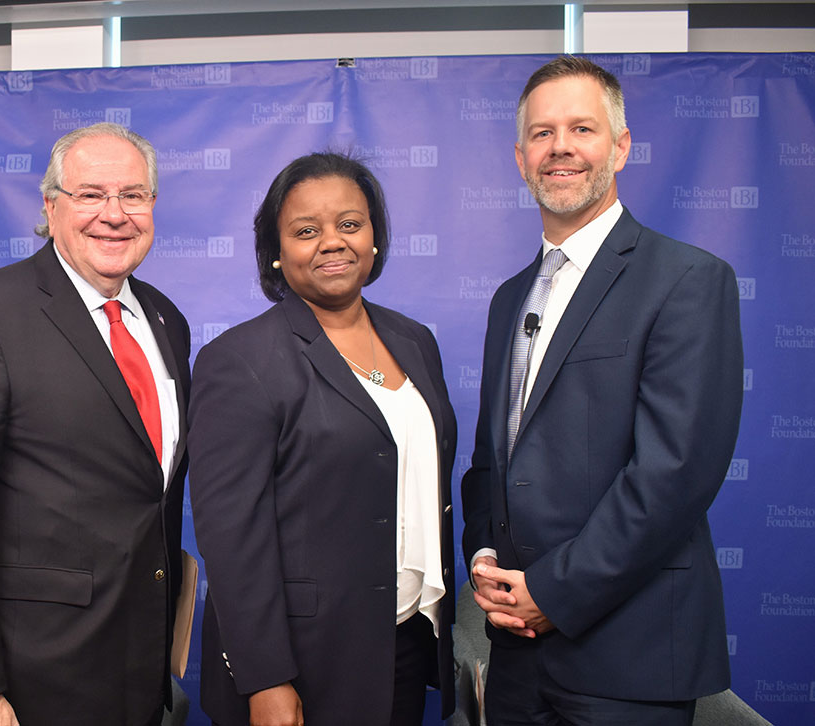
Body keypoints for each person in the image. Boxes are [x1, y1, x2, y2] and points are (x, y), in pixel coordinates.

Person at [461, 55, 743, 725]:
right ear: (520, 157)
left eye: (582, 129)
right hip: (515, 658)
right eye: (541, 133)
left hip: (628, 659)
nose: (560, 147)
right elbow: (492, 463)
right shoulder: (508, 300)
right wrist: (484, 557)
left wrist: (552, 593)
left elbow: (673, 474)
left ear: (620, 146)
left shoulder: (687, 280)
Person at [0, 122, 190, 726]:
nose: (114, 214)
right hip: (26, 679)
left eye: (133, 195)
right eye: (90, 194)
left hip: (138, 668)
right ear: (51, 206)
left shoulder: (167, 320)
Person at [188, 152, 457, 726]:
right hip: (302, 660)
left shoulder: (413, 341)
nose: (332, 242)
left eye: (350, 224)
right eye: (306, 231)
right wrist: (265, 680)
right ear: (278, 254)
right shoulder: (238, 360)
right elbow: (232, 539)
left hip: (404, 641)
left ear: (375, 239)